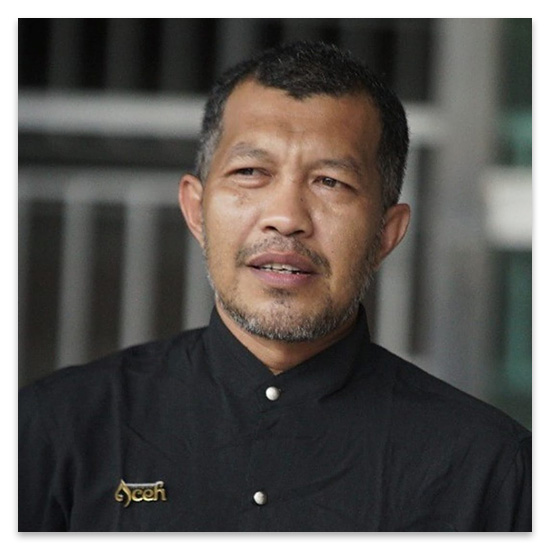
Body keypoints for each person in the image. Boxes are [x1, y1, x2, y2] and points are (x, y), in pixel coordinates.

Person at [18, 41, 531, 532]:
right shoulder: (58, 430)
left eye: (330, 182)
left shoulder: (489, 468)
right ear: (196, 210)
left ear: (386, 233)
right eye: (250, 171)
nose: (286, 218)